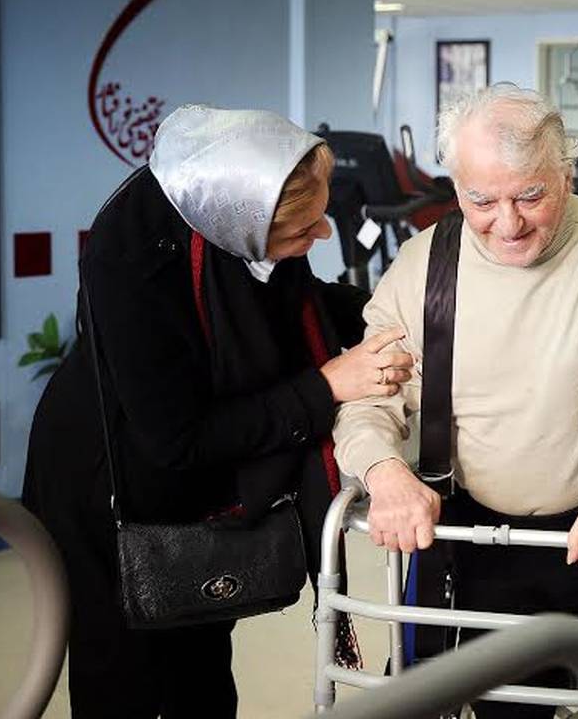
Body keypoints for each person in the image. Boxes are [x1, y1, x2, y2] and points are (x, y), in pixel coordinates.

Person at [333, 84, 578, 718]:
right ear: (455, 187)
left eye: (530, 196)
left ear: (566, 174)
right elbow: (367, 397)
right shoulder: (423, 266)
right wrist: (384, 473)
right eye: (481, 201)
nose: (508, 223)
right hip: (477, 548)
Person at [22, 105, 414, 719]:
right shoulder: (133, 263)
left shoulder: (232, 213)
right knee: (124, 678)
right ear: (247, 222)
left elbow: (299, 303)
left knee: (203, 671)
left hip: (193, 483)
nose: (321, 235)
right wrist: (326, 385)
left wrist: (399, 316)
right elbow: (179, 438)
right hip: (108, 485)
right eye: (303, 230)